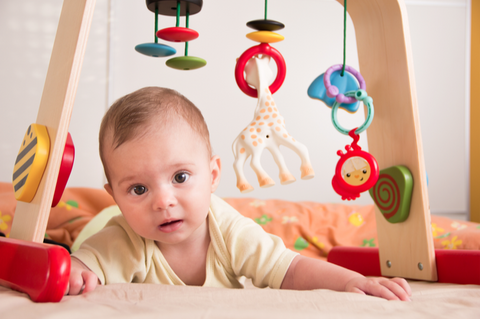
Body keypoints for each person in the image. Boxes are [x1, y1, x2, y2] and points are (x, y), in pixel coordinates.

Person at [68, 87, 411, 301]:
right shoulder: (122, 239)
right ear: (114, 197)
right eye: (138, 189)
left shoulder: (229, 231)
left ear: (213, 175)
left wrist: (351, 281)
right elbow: (81, 265)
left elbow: (289, 270)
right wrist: (72, 269)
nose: (163, 201)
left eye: (181, 176)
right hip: (101, 227)